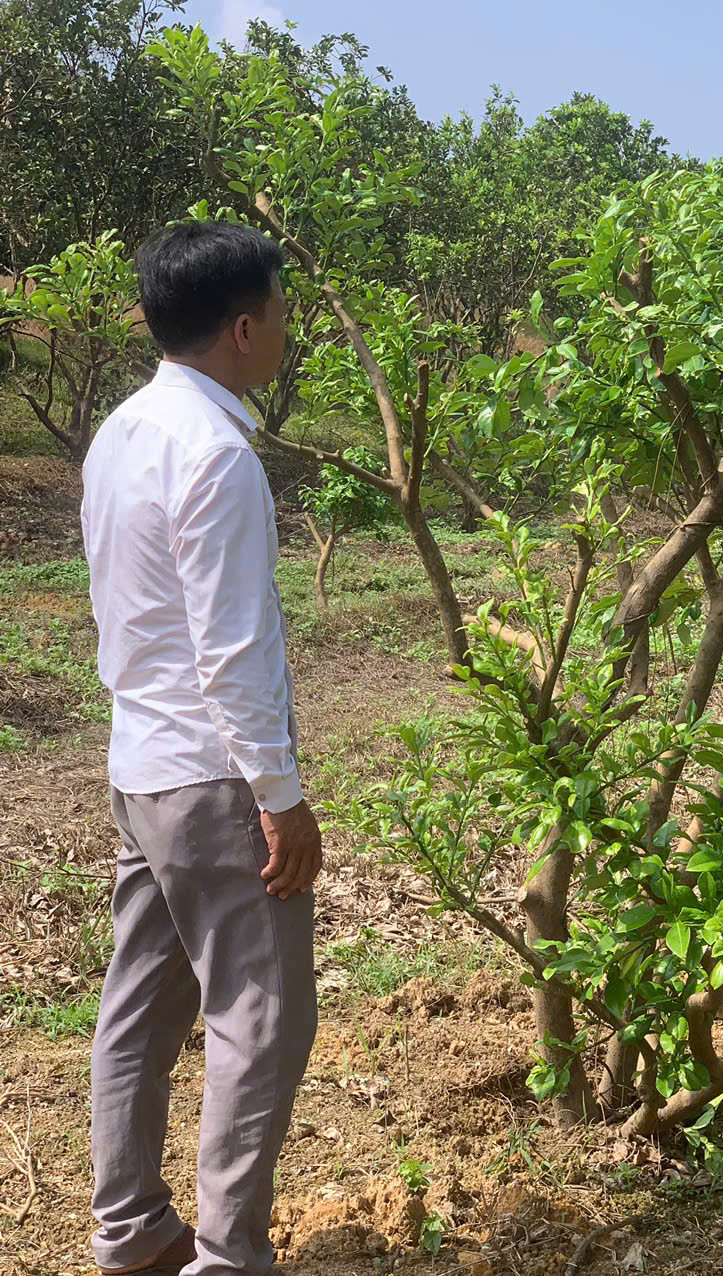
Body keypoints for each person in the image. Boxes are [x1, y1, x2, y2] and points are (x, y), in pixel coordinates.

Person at [81, 221, 321, 1274]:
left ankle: (131, 1229)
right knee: (261, 1020)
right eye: (277, 310)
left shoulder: (121, 430)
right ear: (240, 326)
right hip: (216, 778)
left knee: (141, 1002)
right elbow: (231, 649)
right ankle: (227, 1255)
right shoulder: (219, 452)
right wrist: (281, 793)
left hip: (143, 766)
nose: (283, 328)